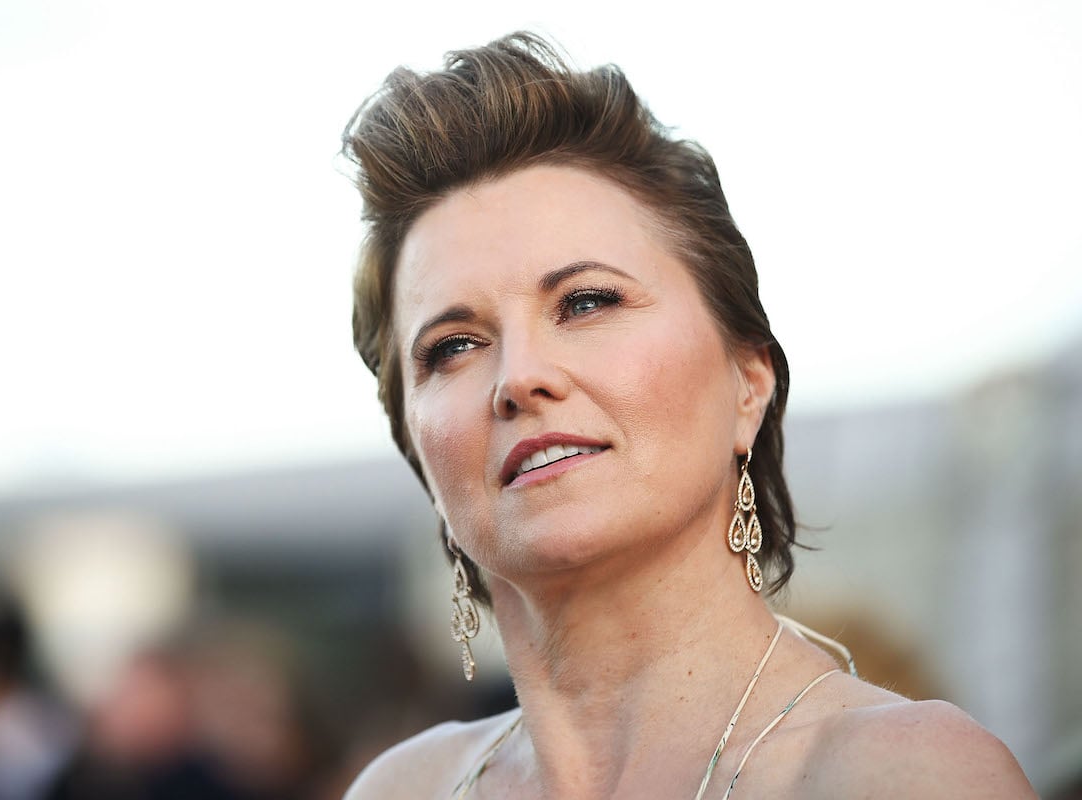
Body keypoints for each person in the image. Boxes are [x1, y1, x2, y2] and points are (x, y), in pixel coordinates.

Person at [340, 33, 1035, 799]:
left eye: (587, 302)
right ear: (416, 447)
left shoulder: (903, 773)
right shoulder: (399, 790)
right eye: (453, 346)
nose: (520, 377)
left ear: (748, 384)